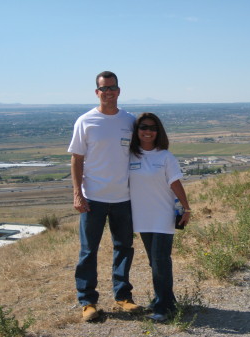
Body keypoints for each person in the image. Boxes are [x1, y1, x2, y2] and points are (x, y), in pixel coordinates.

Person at [68, 71, 141, 321]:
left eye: (112, 88)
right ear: (97, 92)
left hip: (124, 198)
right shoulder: (86, 121)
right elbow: (76, 159)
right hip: (93, 199)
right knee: (89, 251)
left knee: (124, 248)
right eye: (103, 88)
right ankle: (87, 301)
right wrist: (78, 194)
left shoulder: (130, 121)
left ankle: (123, 297)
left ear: (119, 91)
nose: (108, 92)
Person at [129, 112, 191, 322]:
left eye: (153, 128)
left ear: (158, 132)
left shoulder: (165, 156)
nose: (148, 131)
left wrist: (186, 208)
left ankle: (164, 308)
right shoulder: (130, 156)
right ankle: (164, 300)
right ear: (136, 131)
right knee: (154, 262)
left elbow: (175, 183)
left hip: (163, 216)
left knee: (161, 261)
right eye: (143, 127)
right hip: (142, 218)